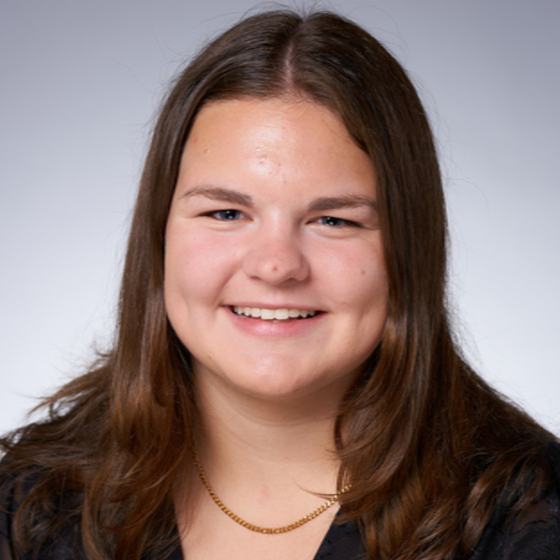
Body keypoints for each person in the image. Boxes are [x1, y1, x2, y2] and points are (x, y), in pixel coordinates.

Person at [1, 8, 559, 560]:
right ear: (159, 236)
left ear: (410, 248)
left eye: (334, 220)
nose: (275, 266)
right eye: (225, 213)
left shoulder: (528, 516)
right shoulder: (30, 505)